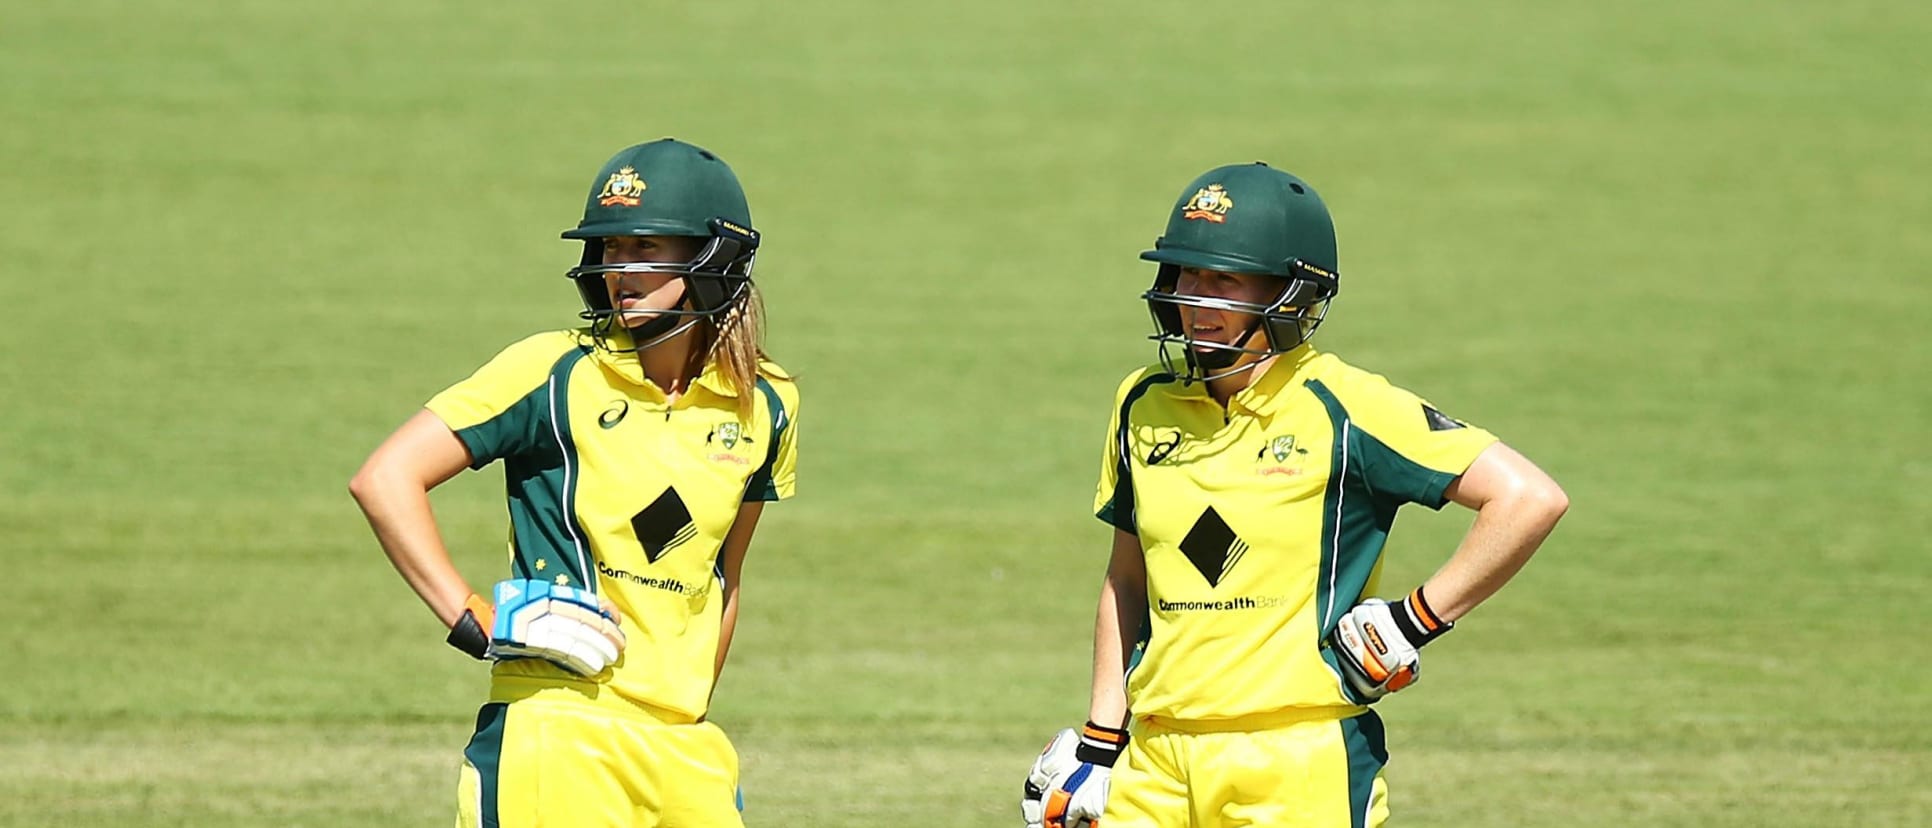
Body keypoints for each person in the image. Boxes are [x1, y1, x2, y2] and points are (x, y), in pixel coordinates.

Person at [1020, 162, 1568, 827]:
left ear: (1289, 294)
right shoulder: (1143, 404)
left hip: (1300, 760)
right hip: (1156, 761)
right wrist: (1099, 747)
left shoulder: (1346, 407)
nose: (1199, 301)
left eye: (1225, 280)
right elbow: (1127, 579)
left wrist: (1414, 621)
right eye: (1187, 275)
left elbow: (1528, 498)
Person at [349, 137, 798, 827]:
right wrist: (477, 618)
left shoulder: (766, 402)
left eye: (648, 247)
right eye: (612, 249)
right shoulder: (553, 371)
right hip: (557, 731)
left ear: (715, 257)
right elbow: (386, 478)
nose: (624, 270)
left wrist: (687, 707)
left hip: (687, 752)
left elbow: (724, 577)